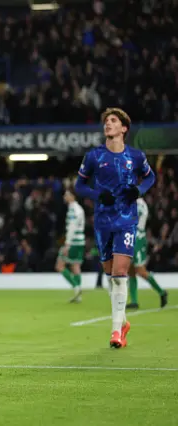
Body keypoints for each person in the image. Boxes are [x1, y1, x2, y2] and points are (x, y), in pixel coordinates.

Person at [75, 107, 155, 349]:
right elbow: (79, 186)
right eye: (106, 121)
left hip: (126, 220)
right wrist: (98, 195)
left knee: (120, 272)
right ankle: (123, 323)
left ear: (123, 128)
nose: (107, 124)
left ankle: (115, 332)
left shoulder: (136, 157)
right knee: (110, 275)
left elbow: (150, 177)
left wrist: (139, 190)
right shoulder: (94, 157)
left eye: (113, 121)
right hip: (102, 222)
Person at [126, 196, 168, 309]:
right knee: (130, 270)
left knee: (141, 271)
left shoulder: (139, 204)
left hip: (137, 239)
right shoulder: (132, 203)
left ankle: (161, 292)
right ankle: (134, 301)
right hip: (131, 237)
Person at [55, 189, 85, 303]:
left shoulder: (73, 209)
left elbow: (72, 227)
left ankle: (76, 288)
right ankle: (78, 295)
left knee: (59, 265)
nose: (64, 196)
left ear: (73, 196)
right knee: (75, 266)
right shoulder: (79, 208)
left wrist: (67, 243)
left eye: (67, 194)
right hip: (80, 241)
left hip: (73, 242)